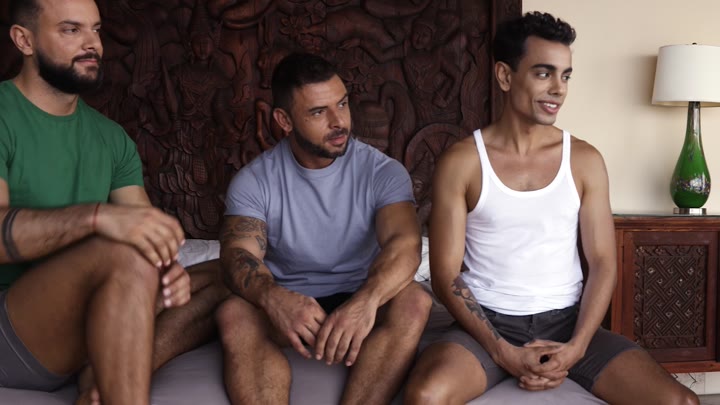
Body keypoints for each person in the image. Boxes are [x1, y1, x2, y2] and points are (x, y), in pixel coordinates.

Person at [403, 11, 699, 405]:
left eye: (566, 76)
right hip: (487, 322)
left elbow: (603, 262)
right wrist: (501, 352)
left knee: (680, 402)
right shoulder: (462, 162)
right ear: (505, 76)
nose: (558, 89)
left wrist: (577, 346)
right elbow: (444, 274)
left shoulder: (585, 160)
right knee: (425, 396)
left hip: (568, 323)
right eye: (544, 73)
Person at [0, 0, 226, 404]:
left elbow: (146, 235)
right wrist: (96, 218)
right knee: (124, 253)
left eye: (97, 29)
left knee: (228, 274)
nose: (93, 44)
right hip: (11, 329)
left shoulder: (111, 138)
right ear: (24, 40)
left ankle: (100, 378)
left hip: (78, 323)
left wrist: (167, 269)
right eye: (72, 30)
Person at [216, 52, 432, 404]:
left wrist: (366, 302)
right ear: (284, 120)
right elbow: (237, 254)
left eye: (342, 104)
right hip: (291, 303)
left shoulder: (382, 172)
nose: (339, 121)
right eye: (318, 112)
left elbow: (405, 245)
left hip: (362, 295)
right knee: (234, 312)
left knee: (415, 301)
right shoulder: (255, 180)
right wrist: (273, 297)